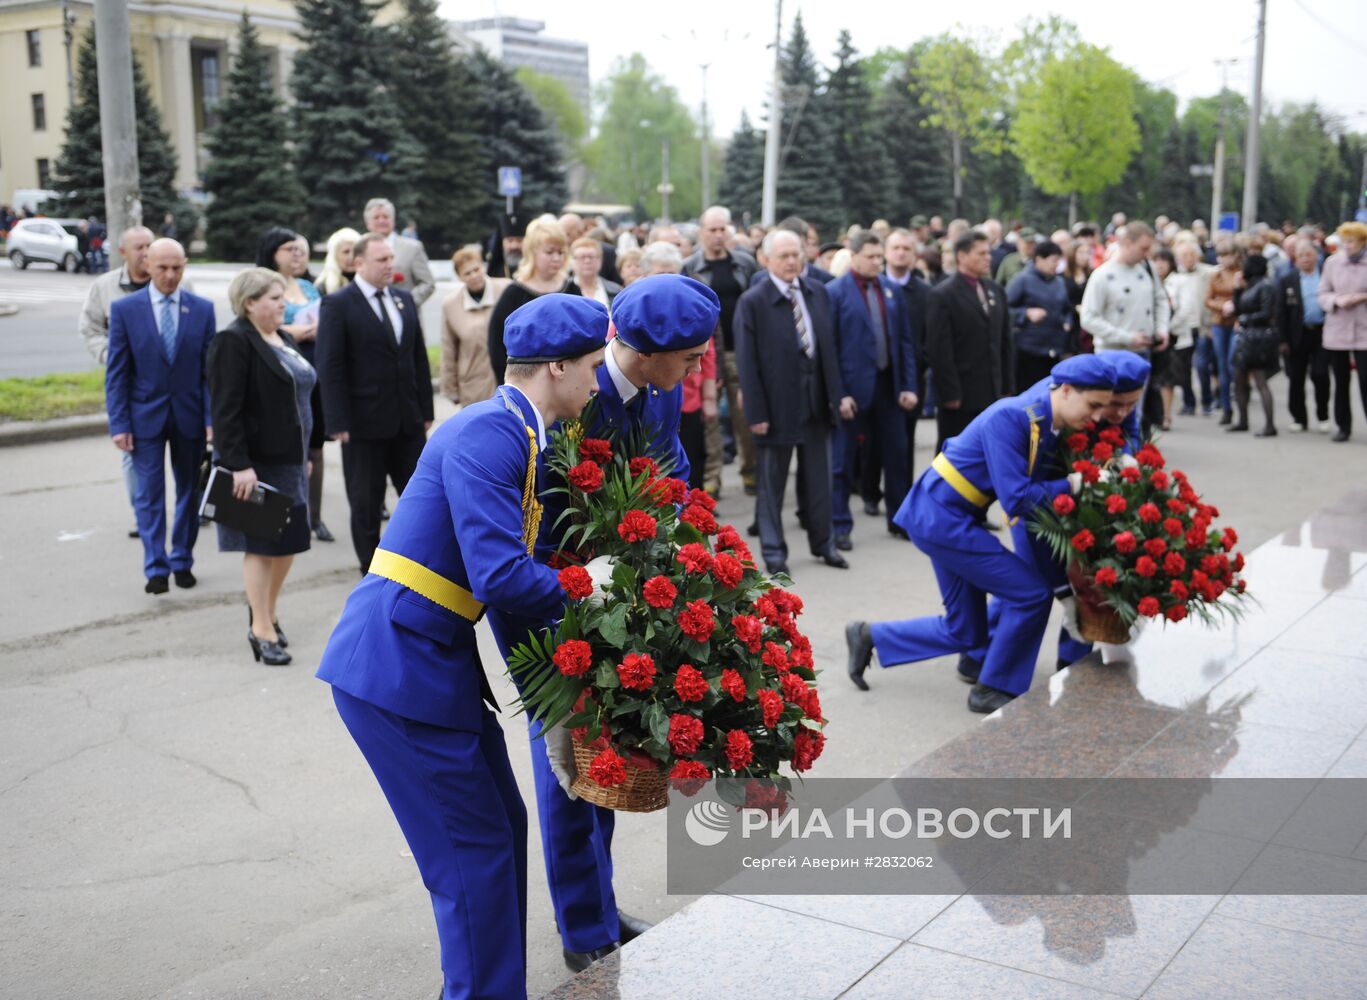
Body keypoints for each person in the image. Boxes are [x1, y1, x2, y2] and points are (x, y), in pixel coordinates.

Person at [317, 295, 609, 1000]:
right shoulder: (492, 432)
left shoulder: (516, 430)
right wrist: (586, 587)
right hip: (397, 665)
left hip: (428, 659)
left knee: (499, 830)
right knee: (472, 855)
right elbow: (499, 574)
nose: (598, 383)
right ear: (557, 366)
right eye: (593, 368)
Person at [487, 277, 717, 974]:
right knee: (568, 757)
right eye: (689, 358)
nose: (696, 370)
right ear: (647, 352)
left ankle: (598, 899)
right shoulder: (566, 398)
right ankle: (582, 925)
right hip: (546, 589)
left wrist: (674, 549)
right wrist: (593, 578)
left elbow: (670, 468)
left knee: (610, 749)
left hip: (616, 591)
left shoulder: (658, 388)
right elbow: (537, 515)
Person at [844, 355, 1114, 713]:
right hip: (941, 517)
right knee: (1031, 594)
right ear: (1065, 390)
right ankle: (993, 689)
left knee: (965, 631)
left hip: (949, 515)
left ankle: (869, 636)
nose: (1096, 417)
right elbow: (1017, 498)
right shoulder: (1015, 415)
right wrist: (1074, 484)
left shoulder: (1045, 413)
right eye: (1093, 405)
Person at [208, 268, 317, 665]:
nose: (282, 303)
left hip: (290, 459)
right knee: (260, 544)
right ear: (249, 302)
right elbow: (226, 410)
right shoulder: (233, 342)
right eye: (273, 297)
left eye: (280, 297)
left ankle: (266, 612)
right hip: (257, 464)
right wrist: (238, 464)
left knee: (287, 542)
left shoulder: (283, 338)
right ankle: (260, 629)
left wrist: (304, 453)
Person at [315, 232, 434, 572]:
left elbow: (418, 358)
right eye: (382, 260)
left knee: (421, 497)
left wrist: (425, 408)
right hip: (362, 424)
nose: (390, 266)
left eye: (391, 259)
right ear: (358, 263)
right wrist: (336, 421)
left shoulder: (403, 299)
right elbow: (330, 365)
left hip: (407, 420)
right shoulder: (338, 304)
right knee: (366, 503)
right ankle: (371, 568)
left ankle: (420, 561)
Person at [734, 229, 848, 576]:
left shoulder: (817, 293)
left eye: (796, 254)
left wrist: (837, 396)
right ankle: (773, 552)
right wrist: (755, 412)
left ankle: (824, 543)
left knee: (819, 480)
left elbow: (830, 349)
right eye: (783, 255)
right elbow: (747, 363)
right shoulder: (754, 301)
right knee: (772, 484)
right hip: (775, 405)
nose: (791, 261)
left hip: (816, 402)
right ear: (766, 259)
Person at [105, 239, 216, 595]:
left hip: (190, 417)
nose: (170, 275)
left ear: (185, 266)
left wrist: (212, 418)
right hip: (143, 419)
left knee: (189, 493)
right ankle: (156, 566)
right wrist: (119, 423)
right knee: (149, 496)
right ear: (146, 265)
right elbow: (118, 373)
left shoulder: (202, 309)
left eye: (177, 268)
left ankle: (182, 560)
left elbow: (208, 373)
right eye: (162, 268)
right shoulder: (125, 310)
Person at [827, 230, 918, 548]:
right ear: (853, 256)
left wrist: (908, 384)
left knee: (897, 454)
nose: (878, 262)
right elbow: (831, 349)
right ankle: (840, 525)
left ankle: (899, 518)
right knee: (842, 460)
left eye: (880, 257)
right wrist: (839, 393)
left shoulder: (891, 291)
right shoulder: (835, 292)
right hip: (853, 390)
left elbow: (905, 341)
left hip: (888, 386)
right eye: (871, 256)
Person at [79, 225, 158, 537]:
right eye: (138, 247)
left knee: (185, 450)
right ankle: (144, 517)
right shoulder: (106, 286)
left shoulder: (174, 279)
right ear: (123, 252)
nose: (146, 253)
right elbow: (90, 327)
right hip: (129, 386)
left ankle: (190, 507)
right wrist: (110, 357)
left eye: (149, 245)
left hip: (173, 384)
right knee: (133, 453)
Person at [258, 228, 332, 543]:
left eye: (300, 248)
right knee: (285, 447)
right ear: (273, 253)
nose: (297, 254)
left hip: (313, 368)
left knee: (315, 444)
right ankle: (279, 514)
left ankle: (314, 517)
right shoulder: (262, 284)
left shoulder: (308, 286)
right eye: (290, 249)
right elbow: (257, 326)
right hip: (280, 372)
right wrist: (294, 332)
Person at [683, 206, 762, 496]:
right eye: (712, 230)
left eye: (722, 229)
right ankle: (712, 478)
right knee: (710, 420)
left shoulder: (743, 263)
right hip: (708, 352)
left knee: (746, 415)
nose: (718, 235)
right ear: (702, 232)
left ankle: (750, 471)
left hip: (741, 350)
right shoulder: (691, 266)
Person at [926, 229, 1013, 453]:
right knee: (955, 452)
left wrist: (1007, 387)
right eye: (981, 253)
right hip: (961, 394)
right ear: (962, 256)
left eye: (989, 253)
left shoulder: (995, 291)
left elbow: (1004, 341)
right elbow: (939, 349)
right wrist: (950, 393)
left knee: (989, 450)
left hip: (991, 390)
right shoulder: (943, 294)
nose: (988, 258)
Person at [487, 218, 579, 383]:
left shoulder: (571, 289)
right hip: (526, 384)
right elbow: (497, 347)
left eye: (561, 252)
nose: (556, 258)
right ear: (532, 252)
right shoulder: (514, 293)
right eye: (549, 252)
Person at [441, 245, 509, 409]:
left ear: (483, 266)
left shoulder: (506, 289)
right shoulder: (451, 305)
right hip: (473, 384)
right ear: (459, 277)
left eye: (476, 269)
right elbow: (449, 349)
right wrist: (451, 389)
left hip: (509, 378)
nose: (474, 276)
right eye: (467, 273)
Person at [1318, 222, 1367, 442]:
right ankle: (1343, 426)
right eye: (1344, 241)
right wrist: (1338, 300)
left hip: (1364, 328)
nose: (1347, 245)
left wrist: (1361, 297)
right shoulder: (1332, 263)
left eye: (1351, 241)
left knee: (1365, 380)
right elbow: (1322, 294)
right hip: (1338, 328)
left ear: (1362, 242)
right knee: (1340, 380)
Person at [1276, 239, 1331, 433]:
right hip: (1297, 335)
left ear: (1316, 256)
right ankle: (1299, 417)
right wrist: (1282, 340)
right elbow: (1281, 312)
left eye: (1309, 255)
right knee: (1296, 378)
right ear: (1295, 259)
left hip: (1322, 333)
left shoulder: (1326, 275)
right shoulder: (1287, 279)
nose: (1305, 259)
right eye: (1301, 256)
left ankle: (1323, 415)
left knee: (1320, 374)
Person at [1006, 239, 1073, 390]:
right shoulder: (1022, 280)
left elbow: (1067, 308)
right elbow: (1005, 310)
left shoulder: (1059, 282)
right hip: (1028, 350)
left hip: (1055, 349)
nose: (1057, 265)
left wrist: (1067, 321)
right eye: (1053, 260)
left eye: (1059, 261)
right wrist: (1026, 313)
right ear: (1039, 259)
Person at [1228, 254, 1279, 437]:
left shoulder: (1265, 286)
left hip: (1259, 337)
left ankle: (1270, 425)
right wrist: (1236, 289)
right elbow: (1239, 307)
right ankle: (1242, 420)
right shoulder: (1251, 285)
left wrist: (1244, 319)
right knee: (1239, 379)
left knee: (1260, 380)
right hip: (1247, 336)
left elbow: (1266, 313)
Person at [1160, 242, 1204, 429]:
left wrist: (1167, 328)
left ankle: (1168, 415)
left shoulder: (1179, 281)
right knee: (1162, 378)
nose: (1159, 265)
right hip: (1156, 338)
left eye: (1163, 261)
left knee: (1175, 375)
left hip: (1177, 336)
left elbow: (1186, 308)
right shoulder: (1149, 281)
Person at [362, 197, 435, 306]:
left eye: (385, 217)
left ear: (393, 220)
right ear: (367, 223)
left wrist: (406, 302)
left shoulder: (412, 248)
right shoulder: (358, 247)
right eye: (376, 217)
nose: (381, 221)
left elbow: (428, 283)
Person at [1203, 238, 1243, 423]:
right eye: (1222, 255)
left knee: (1231, 363)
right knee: (1221, 366)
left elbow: (1247, 298)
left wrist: (1235, 303)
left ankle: (1241, 403)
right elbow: (1208, 300)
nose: (1225, 259)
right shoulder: (1215, 275)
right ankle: (1226, 408)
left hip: (1236, 322)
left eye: (1228, 255)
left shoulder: (1241, 275)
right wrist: (1222, 305)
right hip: (1219, 322)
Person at [567, 236, 621, 308]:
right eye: (582, 257)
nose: (587, 261)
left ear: (600, 260)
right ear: (572, 261)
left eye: (591, 257)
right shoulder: (563, 291)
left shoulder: (616, 290)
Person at [317, 227, 361, 295]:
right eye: (346, 252)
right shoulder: (323, 287)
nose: (352, 257)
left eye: (356, 251)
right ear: (334, 256)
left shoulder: (370, 282)